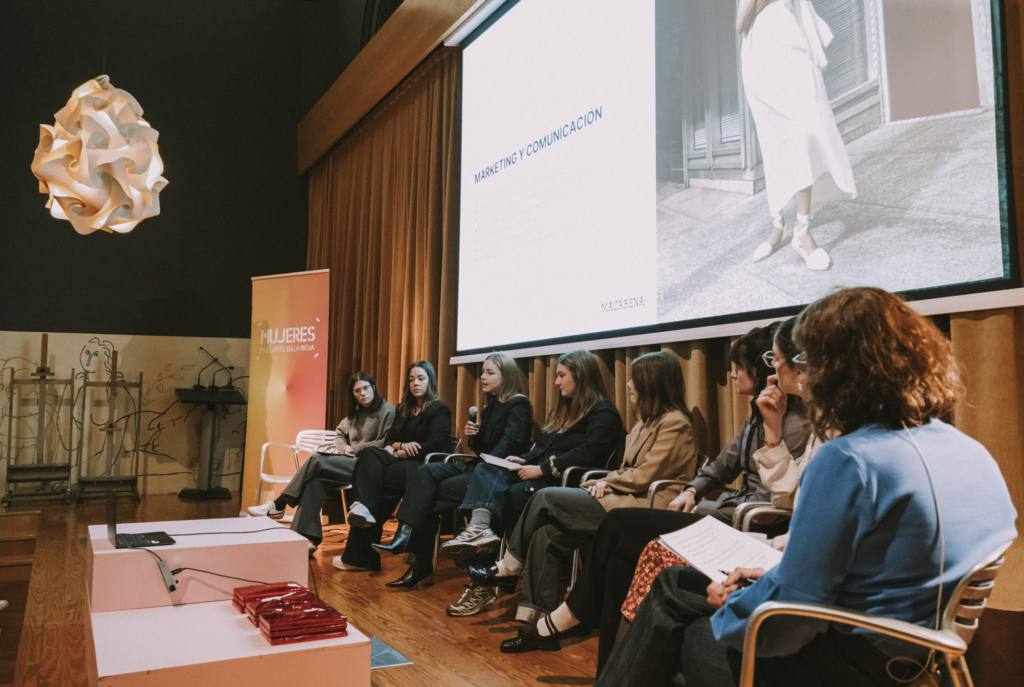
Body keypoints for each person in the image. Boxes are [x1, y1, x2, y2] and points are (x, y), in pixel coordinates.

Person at [596, 287, 1017, 687]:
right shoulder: (972, 451)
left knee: (688, 634)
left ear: (826, 369)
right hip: (921, 654)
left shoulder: (850, 458)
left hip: (856, 661)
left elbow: (789, 623)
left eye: (793, 365)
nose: (789, 377)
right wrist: (767, 585)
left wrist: (736, 609)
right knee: (674, 584)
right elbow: (883, 569)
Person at [513, 325, 807, 669]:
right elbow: (719, 469)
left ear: (761, 371)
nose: (732, 373)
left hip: (739, 525)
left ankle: (559, 609)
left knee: (608, 521)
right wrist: (692, 489)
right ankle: (600, 663)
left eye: (739, 367)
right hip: (716, 514)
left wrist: (612, 483)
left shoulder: (794, 425)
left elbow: (786, 501)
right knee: (614, 557)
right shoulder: (754, 420)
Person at [466, 351, 698, 650]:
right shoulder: (645, 422)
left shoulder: (675, 423)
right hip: (621, 498)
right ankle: (538, 624)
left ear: (651, 383)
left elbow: (645, 476)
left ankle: (509, 565)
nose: (628, 384)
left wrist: (603, 481)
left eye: (634, 379)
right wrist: (607, 482)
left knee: (545, 497)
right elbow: (627, 470)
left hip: (644, 509)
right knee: (545, 533)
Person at [372, 352, 532, 601]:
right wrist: (475, 436)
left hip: (494, 474)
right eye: (482, 372)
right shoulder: (489, 407)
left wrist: (486, 455)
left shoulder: (518, 404)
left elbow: (511, 442)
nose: (482, 377)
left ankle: (420, 562)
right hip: (480, 466)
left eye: (490, 373)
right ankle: (403, 535)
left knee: (428, 496)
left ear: (506, 376)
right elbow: (480, 448)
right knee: (425, 471)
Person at [441, 349, 624, 565]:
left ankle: (486, 576)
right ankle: (479, 529)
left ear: (581, 375)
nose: (556, 382)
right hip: (541, 475)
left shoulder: (603, 413)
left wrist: (540, 469)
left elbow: (586, 454)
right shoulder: (563, 411)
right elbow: (544, 448)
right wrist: (525, 460)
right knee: (488, 467)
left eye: (561, 375)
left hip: (565, 483)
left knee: (503, 497)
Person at [741, 0, 857, 270]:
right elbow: (739, 24)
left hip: (792, 50)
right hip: (762, 57)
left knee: (805, 132)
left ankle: (802, 231)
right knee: (775, 142)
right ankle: (778, 226)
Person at [333, 361, 452, 584]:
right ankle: (362, 507)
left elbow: (436, 445)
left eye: (421, 378)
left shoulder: (439, 409)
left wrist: (403, 451)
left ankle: (361, 556)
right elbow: (389, 441)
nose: (415, 383)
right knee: (369, 455)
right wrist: (400, 447)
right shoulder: (404, 409)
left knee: (380, 484)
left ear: (430, 381)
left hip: (422, 466)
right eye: (411, 379)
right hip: (400, 461)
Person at [246, 372, 395, 547]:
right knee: (314, 482)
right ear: (353, 395)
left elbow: (386, 442)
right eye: (357, 390)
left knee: (317, 459)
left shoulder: (388, 411)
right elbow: (339, 433)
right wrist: (343, 448)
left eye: (366, 388)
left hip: (370, 467)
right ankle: (306, 540)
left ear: (374, 388)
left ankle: (279, 504)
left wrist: (354, 449)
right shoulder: (355, 414)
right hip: (350, 464)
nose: (362, 393)